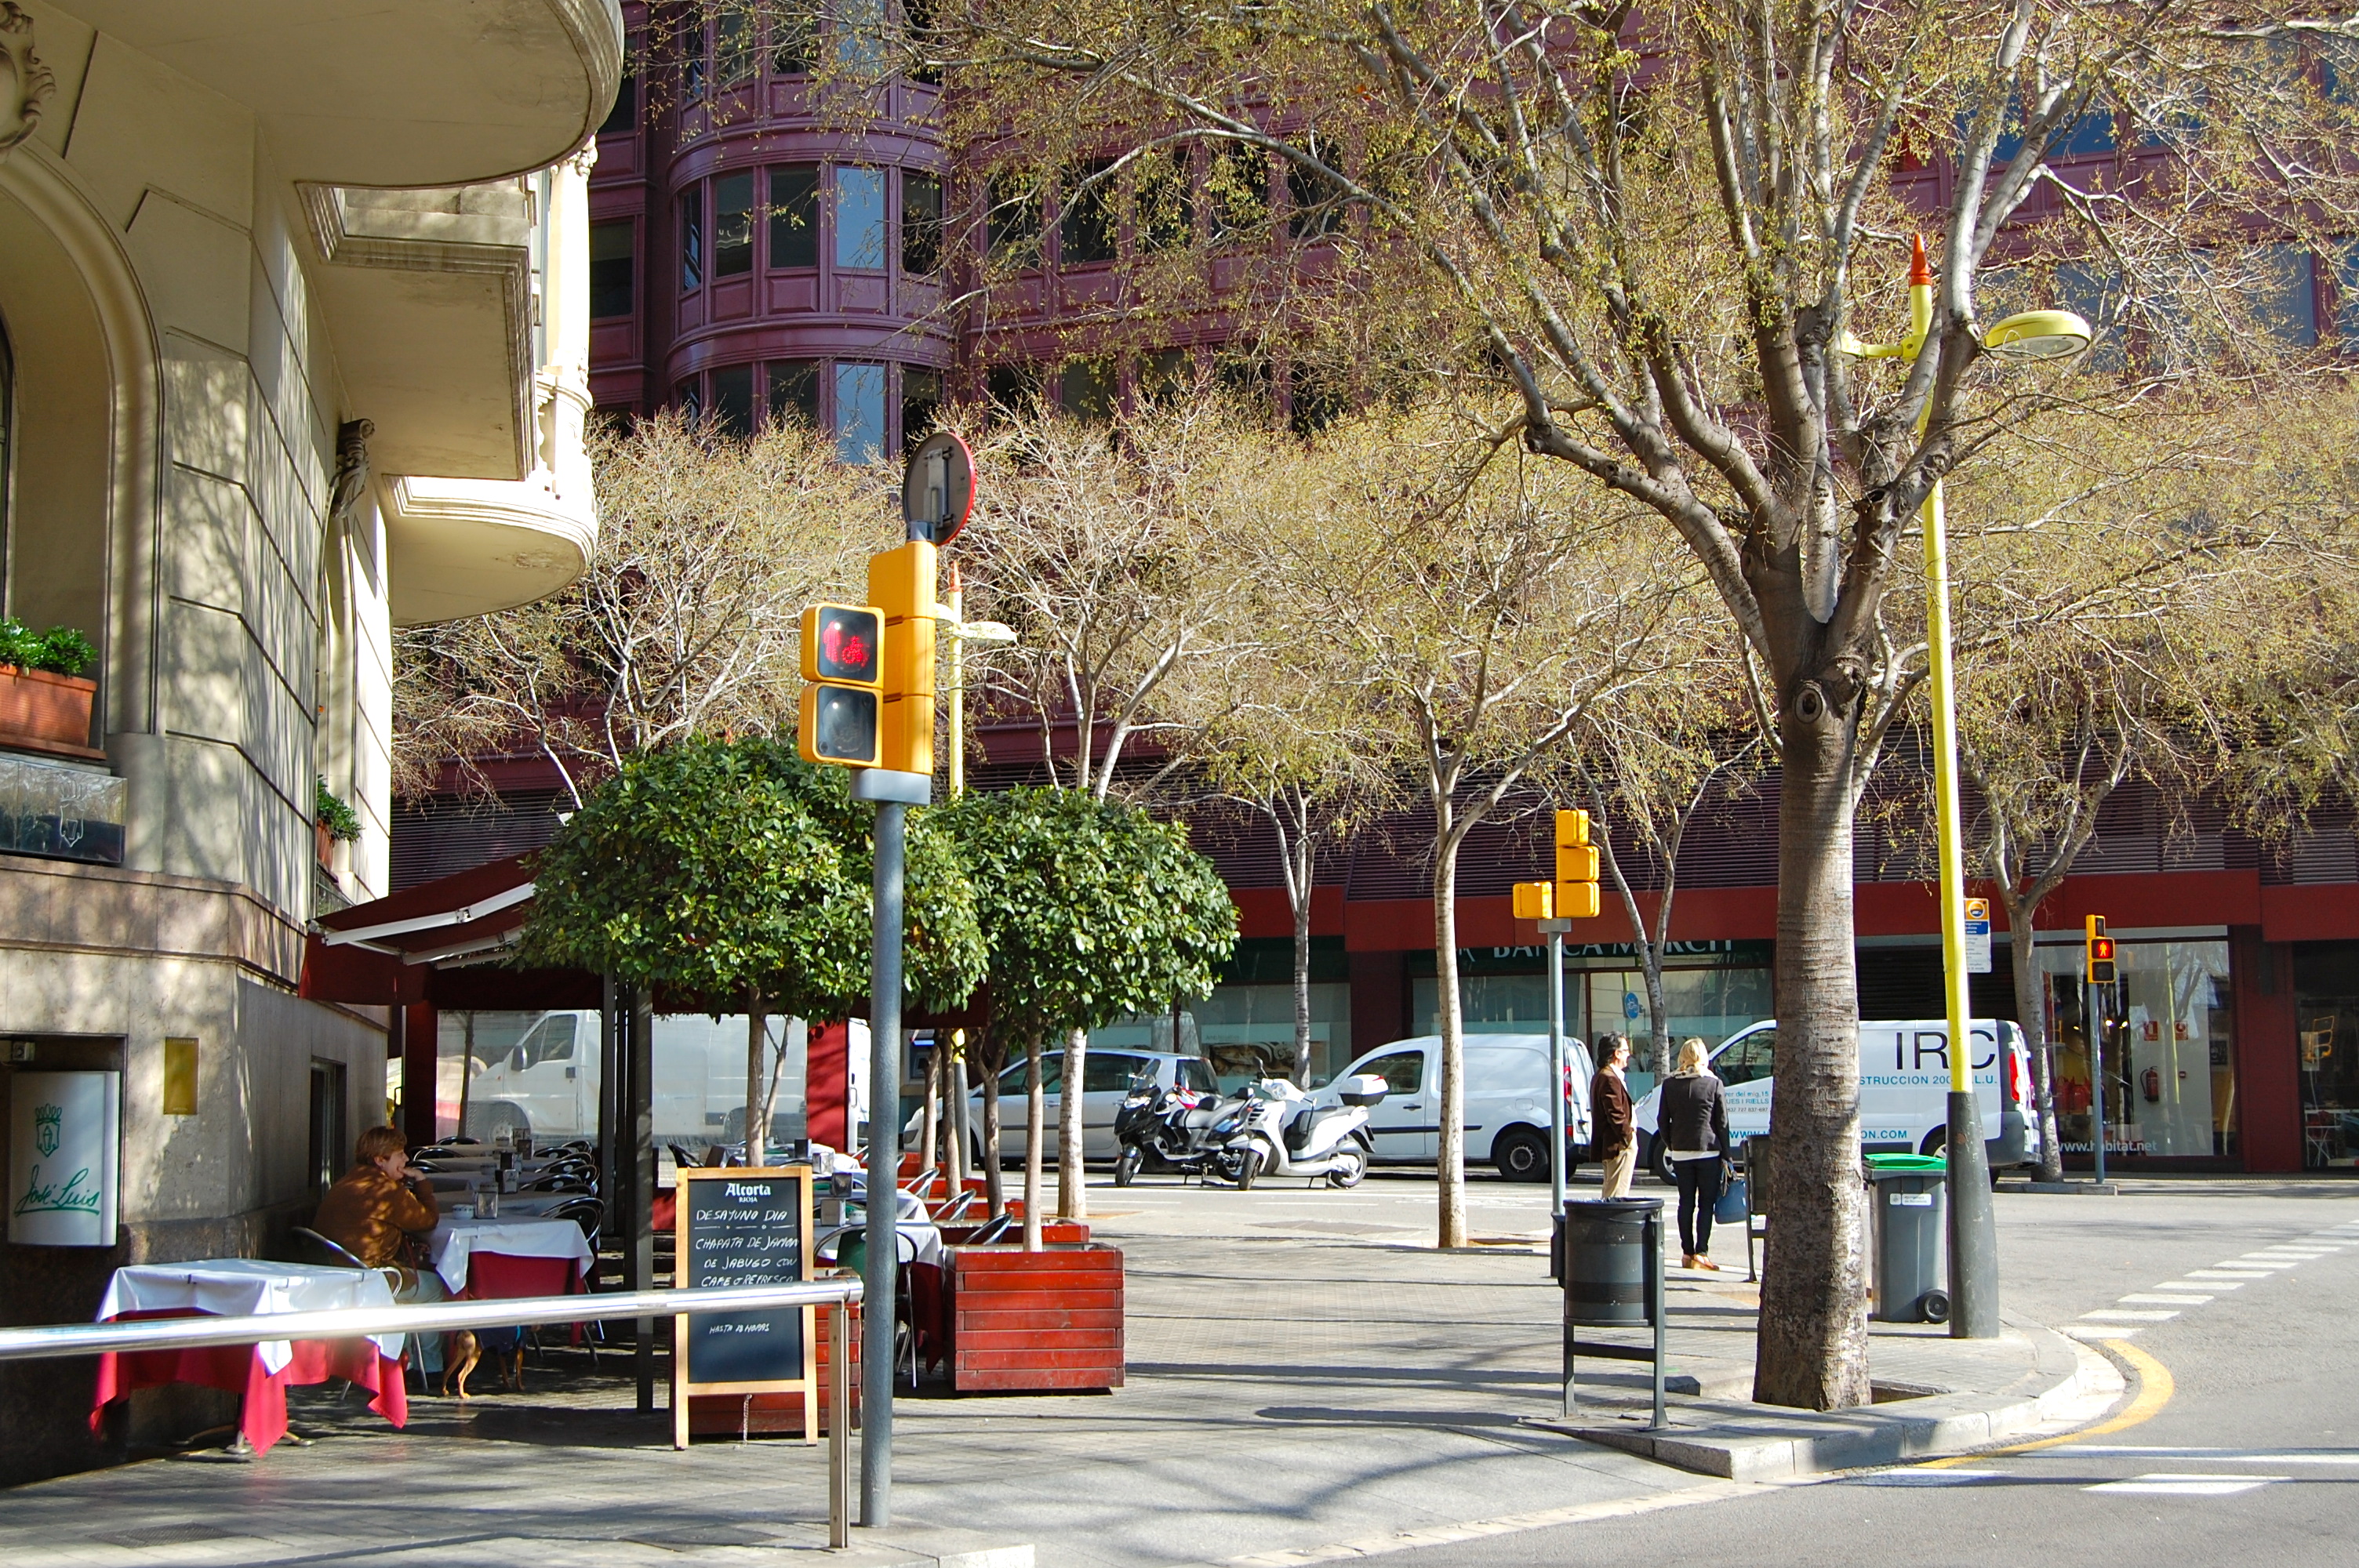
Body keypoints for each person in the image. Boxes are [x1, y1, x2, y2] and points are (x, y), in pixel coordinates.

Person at [312, 1126, 449, 1367]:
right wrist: (421, 1182)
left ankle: (404, 1358)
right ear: (380, 1160)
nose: (406, 1159)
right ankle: (429, 1367)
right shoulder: (385, 1190)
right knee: (437, 1286)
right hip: (370, 1279)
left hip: (334, 1277)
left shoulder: (348, 1180)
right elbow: (428, 1220)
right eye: (399, 1154)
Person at [1658, 1036, 1729, 1270]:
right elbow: (1722, 1123)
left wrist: (1671, 1143)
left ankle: (1687, 1252)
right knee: (1706, 1203)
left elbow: (1662, 1120)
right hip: (1708, 1150)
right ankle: (1702, 1252)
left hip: (1680, 1152)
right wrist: (1726, 1154)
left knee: (1685, 1202)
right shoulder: (1713, 1083)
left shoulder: (1670, 1084)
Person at [1590, 1034, 1636, 1200]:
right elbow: (1615, 1114)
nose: (1629, 1054)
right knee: (1616, 1196)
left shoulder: (1605, 1076)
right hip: (1618, 1146)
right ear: (1617, 1053)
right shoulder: (1609, 1078)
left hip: (1616, 1144)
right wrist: (1628, 1137)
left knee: (1612, 1192)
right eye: (1626, 1050)